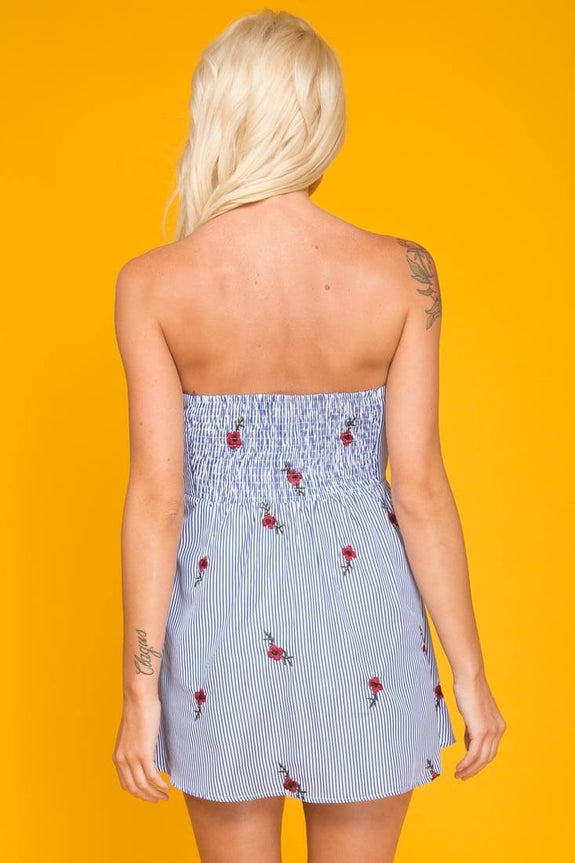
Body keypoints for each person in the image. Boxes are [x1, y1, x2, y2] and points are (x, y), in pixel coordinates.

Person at [112, 8, 506, 862]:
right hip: (362, 620)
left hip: (219, 621)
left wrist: (139, 694)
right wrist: (469, 673)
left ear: (220, 115)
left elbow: (157, 500)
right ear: (321, 121)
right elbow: (419, 488)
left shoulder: (152, 285)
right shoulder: (403, 273)